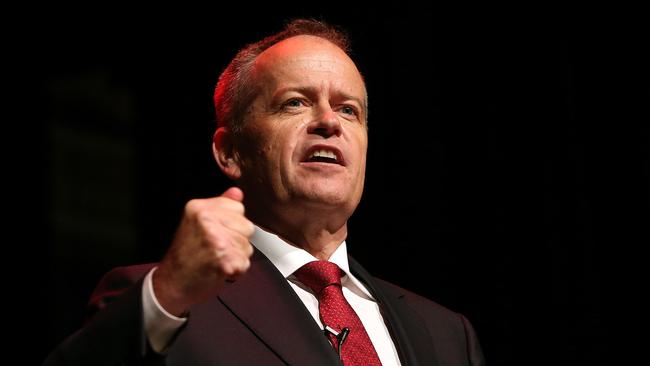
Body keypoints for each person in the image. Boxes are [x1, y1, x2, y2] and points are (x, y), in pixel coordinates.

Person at [44, 19, 485, 366]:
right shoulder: (168, 300)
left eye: (349, 110)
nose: (328, 122)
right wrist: (167, 294)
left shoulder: (445, 333)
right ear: (230, 151)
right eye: (295, 102)